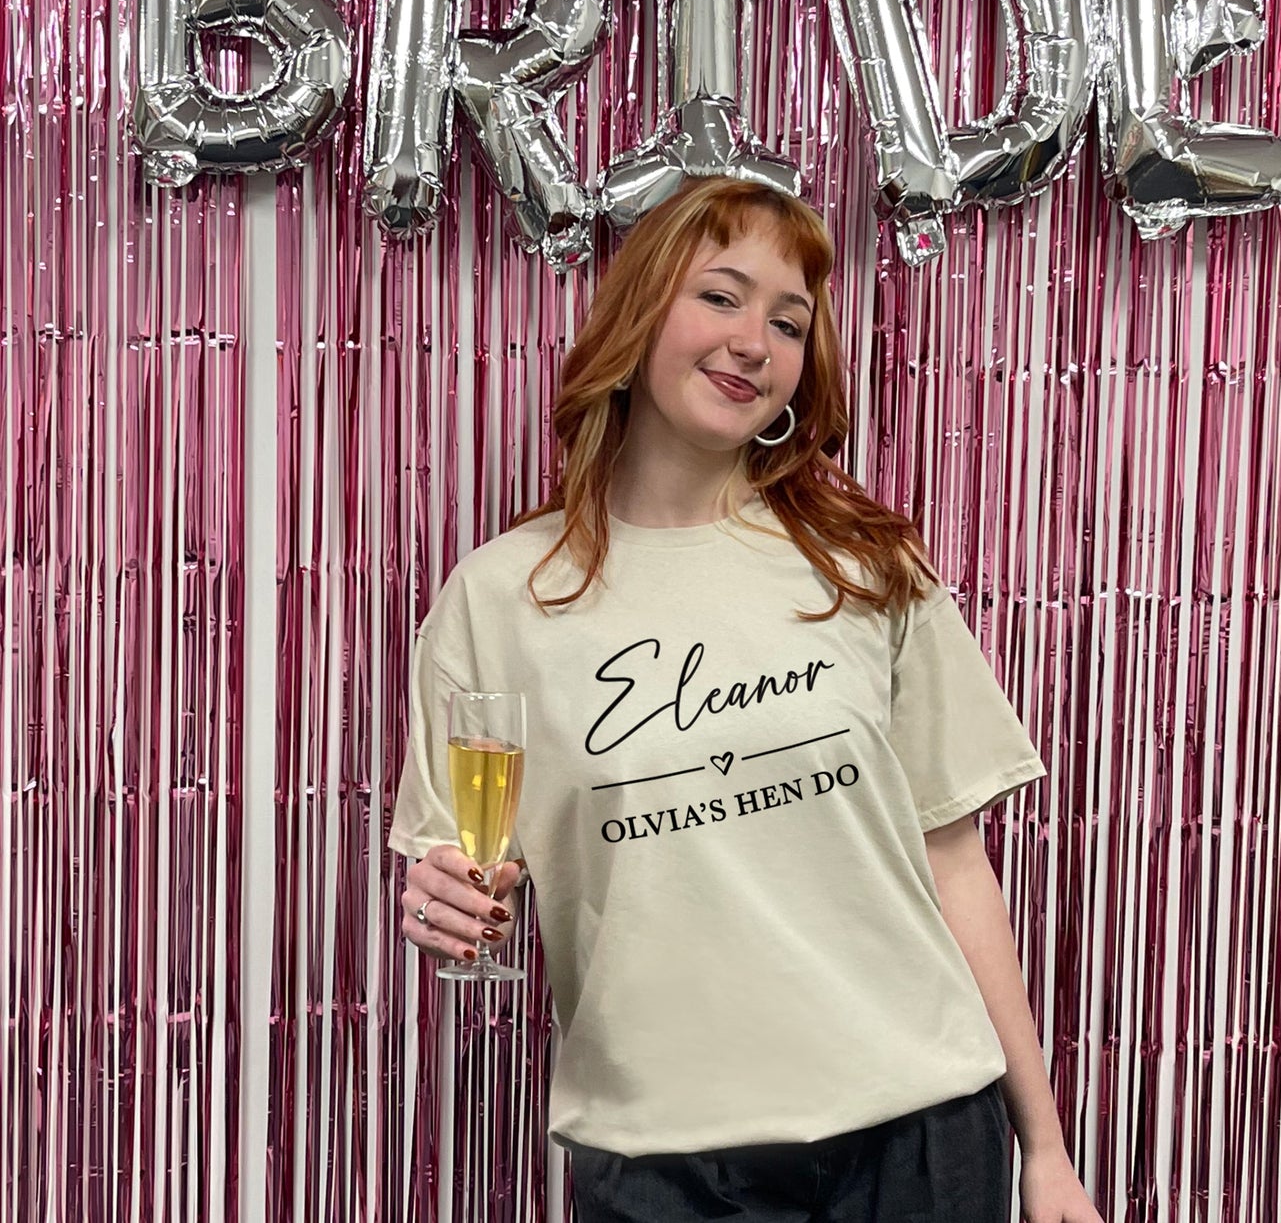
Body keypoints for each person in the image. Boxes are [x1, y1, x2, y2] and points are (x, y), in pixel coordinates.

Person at [388, 178, 1102, 1223]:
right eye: (719, 297)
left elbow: (953, 862)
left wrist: (1043, 1152)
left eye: (787, 321)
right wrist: (439, 900)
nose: (753, 343)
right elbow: (463, 865)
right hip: (662, 1157)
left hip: (915, 1136)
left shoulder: (863, 562)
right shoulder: (500, 596)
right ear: (636, 317)